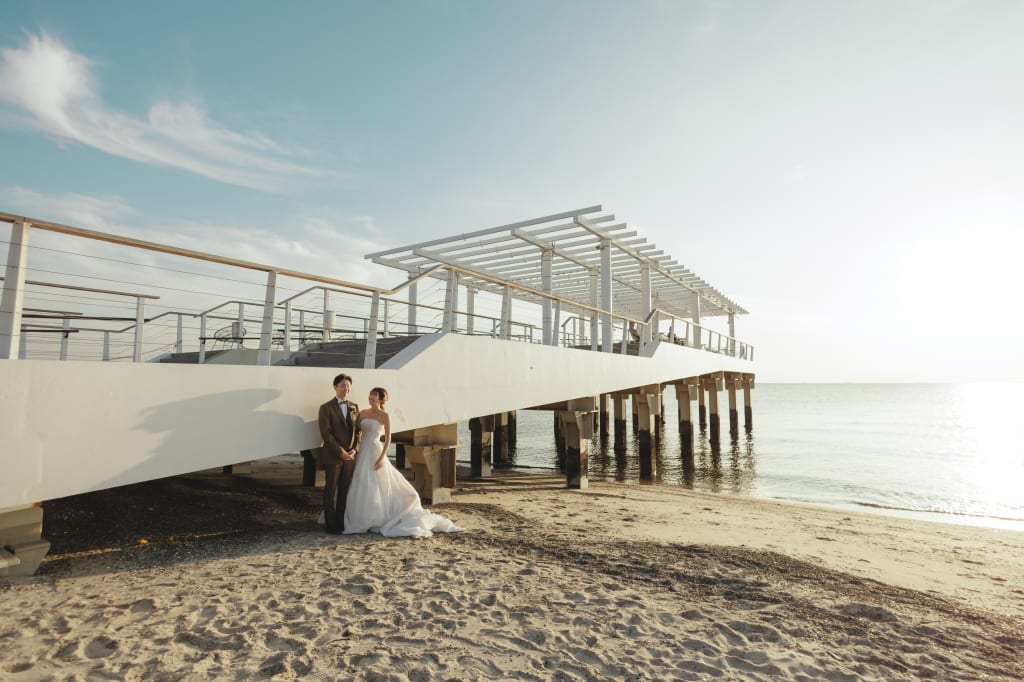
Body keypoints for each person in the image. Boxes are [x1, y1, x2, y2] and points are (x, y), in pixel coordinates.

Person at [344, 387, 464, 537]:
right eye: (370, 395)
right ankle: (359, 515)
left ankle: (376, 516)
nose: (370, 397)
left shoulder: (384, 416)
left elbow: (387, 440)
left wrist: (381, 458)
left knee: (376, 483)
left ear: (381, 399)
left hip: (375, 450)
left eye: (374, 395)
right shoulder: (363, 413)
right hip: (362, 450)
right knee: (359, 480)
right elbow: (356, 433)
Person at [317, 373, 361, 534]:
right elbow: (325, 433)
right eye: (343, 385)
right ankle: (331, 525)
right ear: (335, 387)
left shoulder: (354, 406)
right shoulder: (325, 408)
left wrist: (354, 450)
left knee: (344, 491)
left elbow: (358, 432)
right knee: (330, 491)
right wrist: (340, 451)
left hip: (351, 456)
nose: (346, 389)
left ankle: (342, 524)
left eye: (348, 386)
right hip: (333, 455)